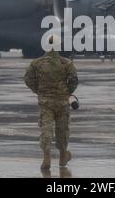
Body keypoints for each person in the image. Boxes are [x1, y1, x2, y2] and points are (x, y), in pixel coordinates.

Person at [24, 35, 78, 170]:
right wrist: (66, 92)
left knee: (46, 129)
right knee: (62, 130)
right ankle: (62, 157)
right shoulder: (67, 63)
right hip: (62, 102)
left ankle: (46, 157)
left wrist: (39, 91)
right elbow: (74, 80)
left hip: (45, 102)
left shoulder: (36, 63)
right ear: (59, 46)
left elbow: (27, 79)